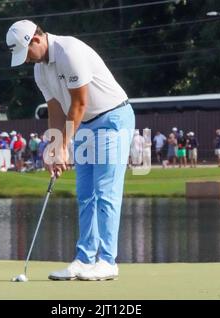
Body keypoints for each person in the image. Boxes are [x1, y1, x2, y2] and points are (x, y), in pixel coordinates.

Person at [7, 20, 134, 280]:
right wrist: (54, 147)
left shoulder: (70, 51)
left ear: (36, 40)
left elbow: (79, 102)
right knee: (85, 194)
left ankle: (108, 261)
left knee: (105, 192)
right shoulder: (40, 70)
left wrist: (64, 145)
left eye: (27, 53)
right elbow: (55, 109)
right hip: (85, 125)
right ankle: (85, 259)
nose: (27, 60)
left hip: (113, 119)